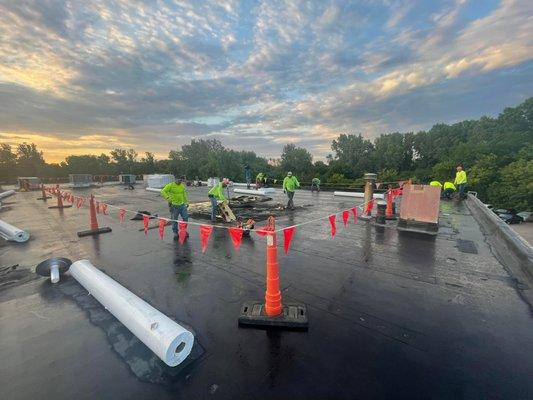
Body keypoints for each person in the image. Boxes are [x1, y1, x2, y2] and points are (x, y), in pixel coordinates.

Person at [161, 175, 189, 241]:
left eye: (181, 180)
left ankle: (183, 230)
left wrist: (186, 202)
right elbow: (162, 191)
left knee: (185, 218)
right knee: (174, 219)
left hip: (182, 205)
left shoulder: (182, 186)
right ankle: (175, 232)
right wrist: (167, 198)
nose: (180, 181)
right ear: (175, 179)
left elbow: (184, 195)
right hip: (173, 206)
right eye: (179, 180)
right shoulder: (170, 185)